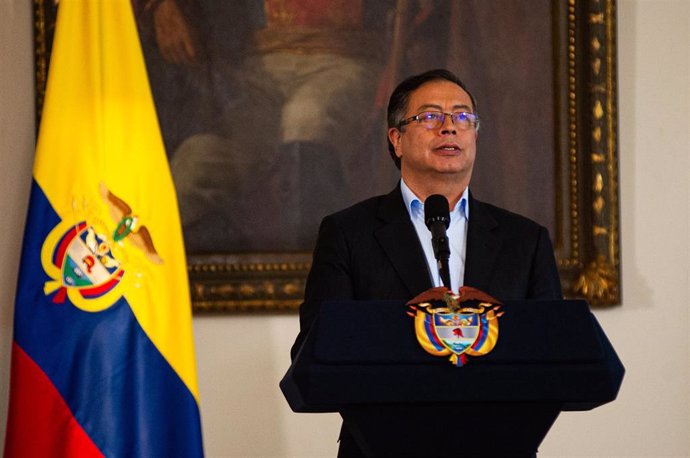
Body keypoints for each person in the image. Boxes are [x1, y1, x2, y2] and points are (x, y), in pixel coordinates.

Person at [289, 68, 563, 457]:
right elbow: (315, 348)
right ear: (396, 139)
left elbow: (556, 350)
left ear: (475, 137)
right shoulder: (348, 233)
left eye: (463, 117)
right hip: (380, 447)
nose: (449, 128)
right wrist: (409, 325)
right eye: (431, 116)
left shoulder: (525, 239)